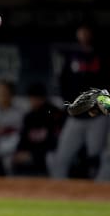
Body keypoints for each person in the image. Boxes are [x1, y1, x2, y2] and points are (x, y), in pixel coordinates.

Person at [47, 25, 109, 179]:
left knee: (96, 158)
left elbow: (107, 86)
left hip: (97, 117)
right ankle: (58, 193)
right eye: (81, 32)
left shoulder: (103, 55)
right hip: (76, 116)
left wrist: (102, 110)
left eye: (86, 32)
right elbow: (64, 84)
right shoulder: (72, 56)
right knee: (61, 158)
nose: (83, 36)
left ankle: (97, 195)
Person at [10, 84, 64, 176]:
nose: (33, 101)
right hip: (33, 154)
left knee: (51, 158)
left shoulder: (53, 113)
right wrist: (19, 152)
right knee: (11, 158)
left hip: (48, 154)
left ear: (43, 98)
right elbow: (23, 138)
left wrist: (33, 154)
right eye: (31, 98)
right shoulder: (29, 116)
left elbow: (54, 142)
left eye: (36, 98)